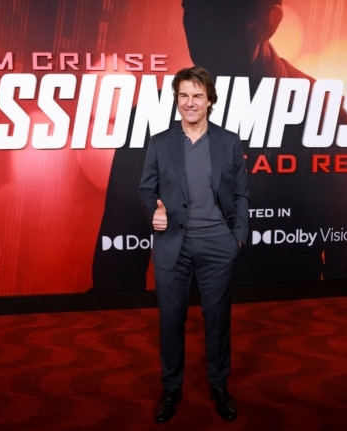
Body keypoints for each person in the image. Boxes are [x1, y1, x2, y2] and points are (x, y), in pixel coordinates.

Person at [90, 0, 347, 292]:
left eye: (226, 13)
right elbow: (116, 271)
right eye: (195, 12)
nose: (205, 29)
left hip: (289, 325)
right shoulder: (151, 120)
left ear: (270, 23)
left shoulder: (326, 114)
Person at [139, 66, 249, 423]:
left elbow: (242, 194)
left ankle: (219, 386)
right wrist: (152, 212)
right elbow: (146, 189)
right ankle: (171, 389)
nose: (190, 102)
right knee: (171, 321)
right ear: (176, 100)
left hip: (219, 244)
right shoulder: (160, 142)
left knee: (217, 321)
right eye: (183, 95)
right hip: (173, 243)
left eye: (197, 96)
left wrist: (238, 239)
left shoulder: (229, 142)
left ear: (210, 101)